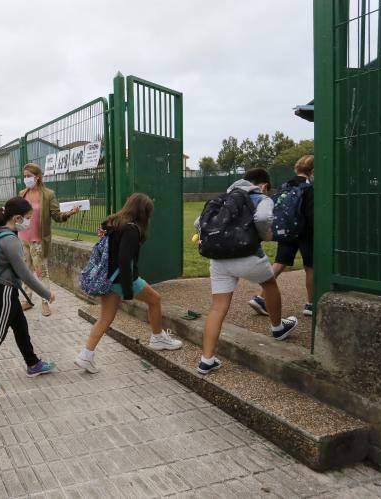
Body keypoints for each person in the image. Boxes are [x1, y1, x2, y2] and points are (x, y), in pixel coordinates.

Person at [195, 169, 298, 375]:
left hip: (218, 259)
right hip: (247, 254)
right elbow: (262, 218)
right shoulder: (261, 197)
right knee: (269, 284)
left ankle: (206, 360)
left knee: (217, 308)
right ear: (263, 185)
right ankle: (278, 328)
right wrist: (264, 235)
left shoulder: (222, 198)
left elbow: (199, 223)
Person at [75, 193, 182, 374]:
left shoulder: (113, 223)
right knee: (155, 299)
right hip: (121, 279)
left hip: (106, 279)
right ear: (143, 212)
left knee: (105, 319)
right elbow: (125, 260)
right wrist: (128, 289)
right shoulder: (132, 229)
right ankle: (157, 338)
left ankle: (86, 355)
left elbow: (105, 237)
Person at [0, 197, 57, 393]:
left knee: (20, 326)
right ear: (16, 218)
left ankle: (33, 364)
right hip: (4, 292)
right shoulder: (10, 240)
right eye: (27, 218)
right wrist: (46, 293)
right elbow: (24, 273)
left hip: (1, 291)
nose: (29, 222)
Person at [248, 155, 315, 316]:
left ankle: (260, 297)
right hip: (305, 232)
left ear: (296, 169)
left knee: (279, 263)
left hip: (287, 231)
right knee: (310, 267)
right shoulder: (309, 188)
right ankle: (311, 304)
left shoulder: (286, 186)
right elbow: (311, 214)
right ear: (311, 171)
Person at [19, 163, 80, 317]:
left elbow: (57, 216)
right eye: (24, 176)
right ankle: (27, 300)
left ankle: (45, 301)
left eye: (29, 176)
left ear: (37, 177)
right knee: (25, 271)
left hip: (38, 241)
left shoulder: (48, 194)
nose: (26, 179)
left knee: (41, 272)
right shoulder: (22, 194)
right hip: (23, 239)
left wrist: (69, 213)